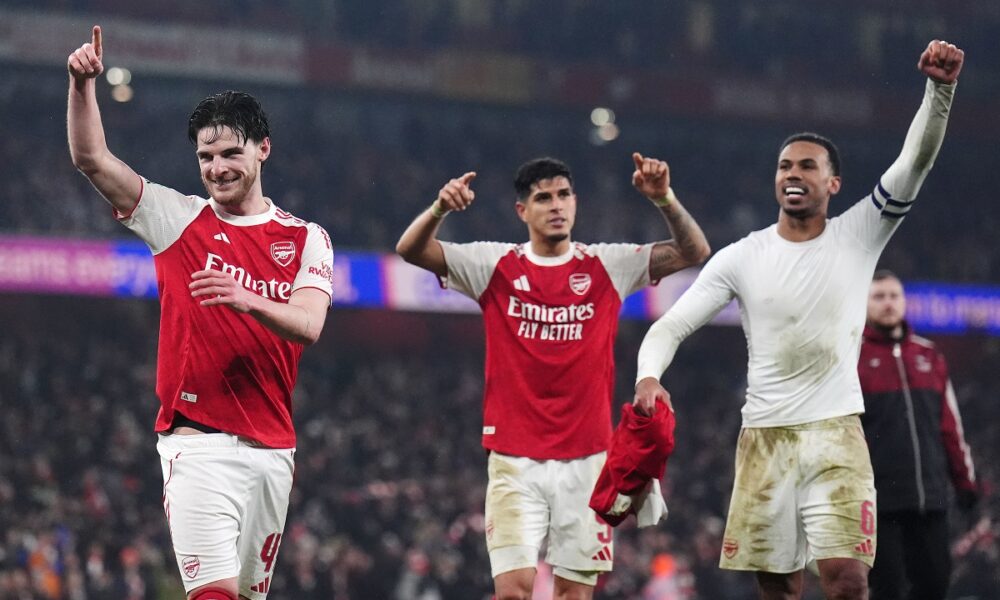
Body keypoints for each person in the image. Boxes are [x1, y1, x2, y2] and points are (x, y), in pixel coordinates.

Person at [633, 39, 965, 600]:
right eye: (785, 165)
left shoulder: (860, 232)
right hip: (764, 437)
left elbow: (915, 162)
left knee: (848, 581)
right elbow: (671, 325)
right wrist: (648, 374)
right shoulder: (742, 256)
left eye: (808, 166)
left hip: (837, 434)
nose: (793, 173)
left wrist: (940, 90)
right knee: (780, 588)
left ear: (833, 183)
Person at [67, 26, 334, 600]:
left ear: (263, 148)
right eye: (206, 157)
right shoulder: (177, 219)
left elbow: (309, 325)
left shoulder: (307, 238)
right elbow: (92, 159)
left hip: (274, 452)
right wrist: (82, 86)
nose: (216, 168)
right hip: (197, 447)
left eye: (230, 153)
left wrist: (247, 299)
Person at [396, 153, 710, 599]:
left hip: (589, 460)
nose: (557, 205)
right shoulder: (493, 264)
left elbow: (694, 251)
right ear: (523, 211)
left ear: (576, 203)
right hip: (513, 459)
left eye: (564, 195)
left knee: (573, 594)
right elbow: (410, 250)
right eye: (544, 198)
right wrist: (440, 209)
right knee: (512, 592)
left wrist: (664, 199)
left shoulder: (608, 264)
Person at [859, 270, 978, 600]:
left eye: (893, 296)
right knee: (889, 588)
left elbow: (949, 425)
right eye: (878, 296)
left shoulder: (928, 355)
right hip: (878, 501)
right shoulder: (854, 358)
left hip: (930, 496)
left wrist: (965, 482)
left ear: (904, 301)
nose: (887, 303)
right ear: (865, 304)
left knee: (935, 585)